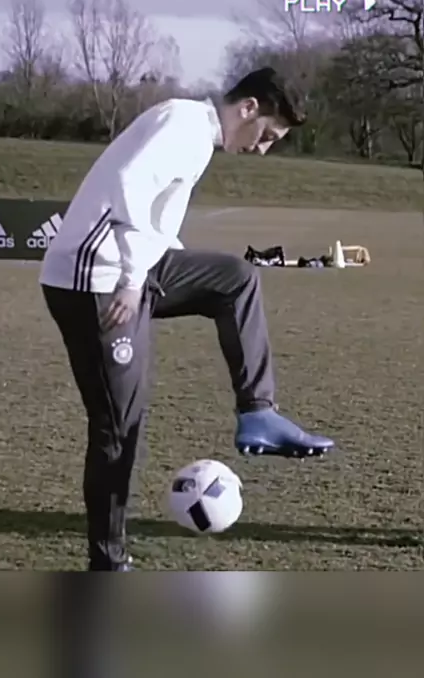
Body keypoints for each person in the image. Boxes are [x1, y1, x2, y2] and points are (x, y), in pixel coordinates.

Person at [39, 67, 335, 571]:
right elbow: (128, 186)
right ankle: (108, 561)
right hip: (94, 280)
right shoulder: (184, 125)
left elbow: (153, 217)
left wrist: (152, 267)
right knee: (118, 426)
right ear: (248, 109)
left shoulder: (195, 133)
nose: (263, 149)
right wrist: (132, 278)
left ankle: (258, 412)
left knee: (236, 278)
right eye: (267, 135)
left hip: (133, 268)